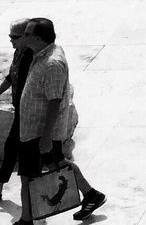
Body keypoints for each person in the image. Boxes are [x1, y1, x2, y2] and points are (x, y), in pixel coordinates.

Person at [15, 18, 106, 224]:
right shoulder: (42, 53)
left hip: (39, 133)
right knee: (56, 164)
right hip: (32, 130)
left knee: (28, 175)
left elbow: (54, 102)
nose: (23, 37)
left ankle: (26, 220)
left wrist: (46, 138)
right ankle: (91, 195)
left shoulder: (52, 63)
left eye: (27, 34)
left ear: (37, 38)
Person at [0, 20, 33, 194]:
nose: (11, 40)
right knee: (11, 148)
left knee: (13, 148)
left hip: (29, 112)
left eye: (14, 37)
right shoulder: (19, 52)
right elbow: (12, 77)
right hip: (20, 109)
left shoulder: (31, 57)